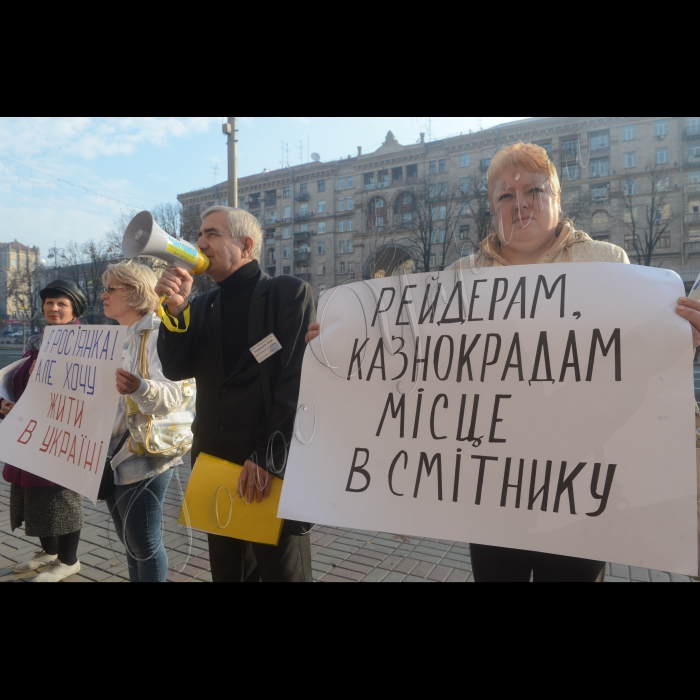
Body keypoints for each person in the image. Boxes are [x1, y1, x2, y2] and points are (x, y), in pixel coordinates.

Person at [307, 142, 700, 582]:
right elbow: (415, 360)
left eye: (534, 190)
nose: (522, 203)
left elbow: (631, 364)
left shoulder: (607, 264)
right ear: (493, 207)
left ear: (557, 197)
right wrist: (340, 345)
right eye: (506, 196)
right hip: (489, 487)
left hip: (578, 484)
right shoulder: (460, 276)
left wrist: (678, 342)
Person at [156, 206, 315, 583]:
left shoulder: (287, 294)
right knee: (229, 574)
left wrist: (269, 458)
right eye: (199, 234)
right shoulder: (203, 305)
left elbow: (297, 382)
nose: (199, 243)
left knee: (283, 574)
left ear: (246, 244)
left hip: (268, 471)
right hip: (216, 469)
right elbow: (177, 368)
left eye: (211, 234)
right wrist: (176, 312)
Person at [101, 261, 192, 583]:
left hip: (144, 455)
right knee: (131, 543)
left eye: (110, 288)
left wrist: (139, 387)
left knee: (145, 544)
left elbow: (176, 395)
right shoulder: (115, 336)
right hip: (112, 456)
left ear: (135, 291)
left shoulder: (158, 332)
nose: (103, 295)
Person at [2, 280, 87, 583]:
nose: (54, 308)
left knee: (60, 497)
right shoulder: (39, 343)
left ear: (74, 309)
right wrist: (7, 403)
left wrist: (23, 409)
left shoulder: (84, 346)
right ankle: (50, 554)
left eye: (61, 303)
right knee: (32, 497)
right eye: (49, 303)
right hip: (28, 434)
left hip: (60, 435)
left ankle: (69, 560)